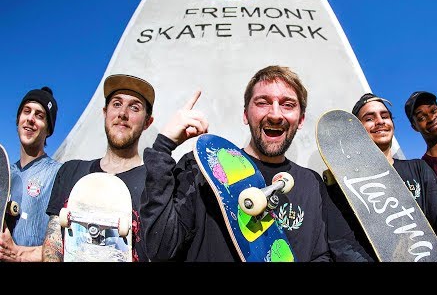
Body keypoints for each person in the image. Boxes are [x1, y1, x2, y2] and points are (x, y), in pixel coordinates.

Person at [140, 65, 373, 262]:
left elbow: (321, 254)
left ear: (300, 120)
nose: (275, 114)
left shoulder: (311, 182)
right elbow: (161, 248)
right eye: (263, 102)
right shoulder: (205, 165)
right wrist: (163, 146)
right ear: (245, 115)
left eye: (288, 104)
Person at [327, 92, 437, 262]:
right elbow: (343, 245)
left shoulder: (419, 169)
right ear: (356, 130)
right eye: (369, 118)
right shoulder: (345, 185)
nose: (380, 121)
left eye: (384, 116)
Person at [42, 74, 155, 262]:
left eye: (134, 107)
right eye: (116, 104)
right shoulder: (71, 172)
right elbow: (53, 243)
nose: (123, 113)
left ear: (147, 122)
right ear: (105, 113)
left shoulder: (155, 185)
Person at [0, 87, 62, 262]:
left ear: (48, 129)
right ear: (18, 119)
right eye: (26, 111)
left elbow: (67, 243)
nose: (30, 119)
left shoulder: (58, 173)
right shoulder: (5, 172)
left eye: (40, 115)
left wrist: (18, 254)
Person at [404, 91, 437, 229]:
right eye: (421, 117)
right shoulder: (424, 169)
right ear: (414, 126)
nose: (431, 118)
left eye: (433, 110)